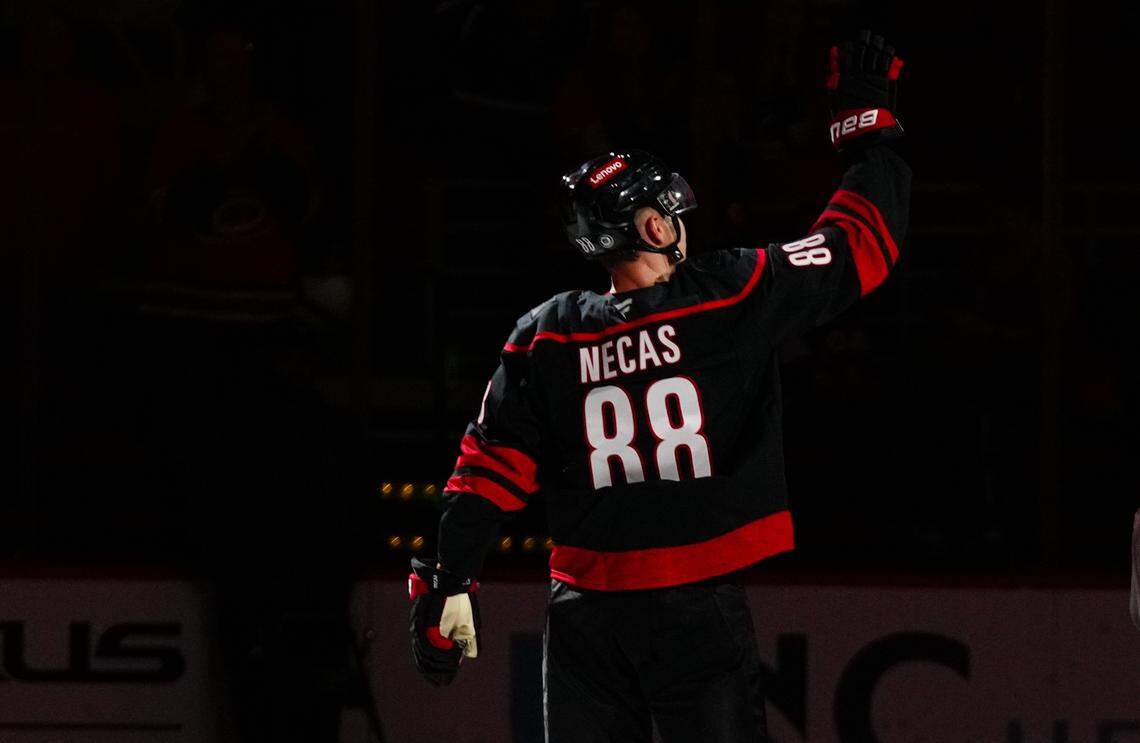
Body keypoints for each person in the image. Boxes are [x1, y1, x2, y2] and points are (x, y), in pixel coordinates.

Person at [408, 32, 912, 742]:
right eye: (671, 215)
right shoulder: (724, 297)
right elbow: (864, 242)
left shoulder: (544, 334)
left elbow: (484, 475)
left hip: (581, 613)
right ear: (651, 224)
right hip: (692, 609)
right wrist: (869, 134)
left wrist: (448, 583)